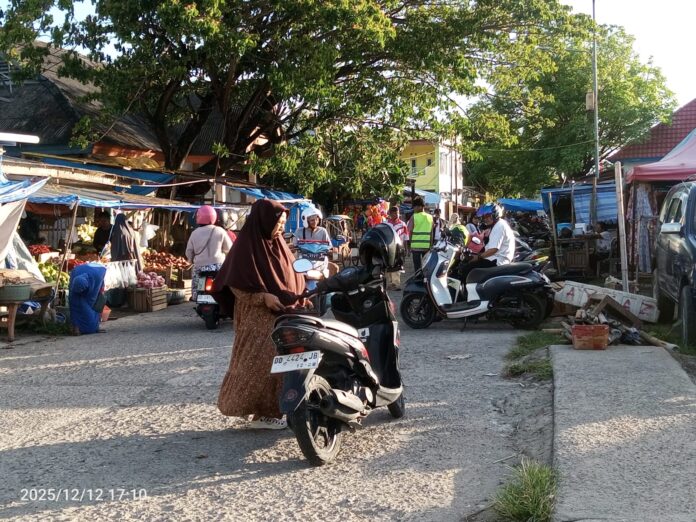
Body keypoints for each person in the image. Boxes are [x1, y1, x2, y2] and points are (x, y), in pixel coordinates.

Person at [213, 199, 306, 430]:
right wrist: (262, 297)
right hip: (256, 318)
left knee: (281, 364)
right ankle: (260, 413)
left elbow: (293, 275)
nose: (281, 227)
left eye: (283, 223)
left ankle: (272, 411)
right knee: (256, 365)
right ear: (263, 221)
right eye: (278, 223)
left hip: (283, 316)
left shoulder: (280, 246)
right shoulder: (245, 248)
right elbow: (235, 283)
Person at [458, 204, 516, 285]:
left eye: (488, 216)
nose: (486, 219)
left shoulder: (499, 226)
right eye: (484, 217)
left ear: (495, 215)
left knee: (467, 270)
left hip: (497, 261)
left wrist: (478, 257)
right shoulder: (498, 224)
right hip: (496, 258)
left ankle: (466, 291)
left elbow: (493, 249)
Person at [186, 205, 233, 300]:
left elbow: (189, 251)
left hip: (199, 267)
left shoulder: (194, 233)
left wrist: (190, 260)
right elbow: (229, 248)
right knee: (222, 287)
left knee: (197, 287)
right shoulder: (220, 231)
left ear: (198, 217)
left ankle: (196, 296)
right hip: (217, 267)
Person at [69, 263, 107, 335]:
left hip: (96, 273)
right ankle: (76, 327)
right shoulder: (74, 276)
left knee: (96, 304)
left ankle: (96, 326)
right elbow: (73, 304)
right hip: (79, 280)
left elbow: (94, 297)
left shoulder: (97, 277)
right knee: (74, 304)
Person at [407, 197, 433, 272]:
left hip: (416, 247)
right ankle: (425, 279)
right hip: (426, 247)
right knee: (425, 267)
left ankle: (418, 278)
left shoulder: (414, 217)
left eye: (414, 207)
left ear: (420, 207)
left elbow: (409, 231)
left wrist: (409, 245)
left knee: (417, 268)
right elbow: (431, 233)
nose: (414, 209)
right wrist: (430, 245)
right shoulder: (430, 217)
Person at [386, 206, 409, 290]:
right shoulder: (386, 224)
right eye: (394, 213)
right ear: (390, 214)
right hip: (388, 248)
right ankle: (389, 283)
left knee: (397, 265)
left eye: (397, 213)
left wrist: (406, 249)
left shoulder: (402, 224)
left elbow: (406, 237)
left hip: (398, 248)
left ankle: (396, 284)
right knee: (388, 265)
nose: (396, 214)